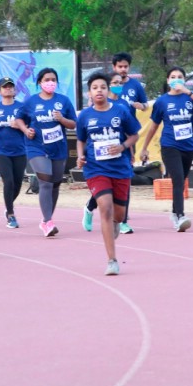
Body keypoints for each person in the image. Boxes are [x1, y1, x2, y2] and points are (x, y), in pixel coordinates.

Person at [76, 71, 140, 276]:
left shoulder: (120, 111)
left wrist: (122, 147)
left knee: (119, 215)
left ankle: (115, 223)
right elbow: (81, 140)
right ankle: (111, 260)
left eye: (103, 87)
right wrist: (80, 156)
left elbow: (134, 135)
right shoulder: (85, 116)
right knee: (105, 207)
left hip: (120, 169)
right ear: (89, 93)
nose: (99, 91)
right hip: (96, 169)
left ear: (108, 89)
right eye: (95, 88)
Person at [139, 66, 193, 232]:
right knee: (177, 179)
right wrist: (144, 148)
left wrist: (188, 91)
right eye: (173, 76)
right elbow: (153, 127)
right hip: (170, 146)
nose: (176, 79)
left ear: (184, 80)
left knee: (181, 181)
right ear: (168, 81)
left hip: (188, 146)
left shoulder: (189, 98)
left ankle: (174, 212)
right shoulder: (162, 102)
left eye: (179, 76)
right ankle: (180, 215)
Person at [17, 67, 77, 237]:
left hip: (58, 147)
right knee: (46, 182)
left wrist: (62, 119)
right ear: (40, 83)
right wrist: (25, 130)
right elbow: (19, 118)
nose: (50, 83)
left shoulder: (63, 101)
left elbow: (73, 124)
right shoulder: (31, 102)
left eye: (53, 80)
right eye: (46, 80)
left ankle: (46, 220)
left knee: (56, 184)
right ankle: (48, 221)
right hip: (36, 147)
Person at [82, 71, 134, 232]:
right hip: (98, 159)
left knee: (123, 185)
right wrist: (82, 154)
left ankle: (121, 220)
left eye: (120, 83)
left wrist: (129, 150)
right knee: (104, 191)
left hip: (120, 154)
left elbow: (127, 132)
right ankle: (90, 208)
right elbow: (86, 134)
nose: (118, 86)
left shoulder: (123, 106)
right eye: (115, 83)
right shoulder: (98, 104)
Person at [111, 53, 147, 234]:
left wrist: (140, 106)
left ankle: (123, 219)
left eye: (126, 67)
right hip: (109, 136)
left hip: (128, 135)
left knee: (125, 174)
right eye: (120, 67)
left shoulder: (135, 86)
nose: (123, 70)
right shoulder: (109, 87)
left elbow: (145, 105)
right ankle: (94, 205)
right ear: (114, 67)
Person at [0, 76, 30, 229]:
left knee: (18, 184)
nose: (8, 89)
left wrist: (20, 125)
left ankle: (8, 205)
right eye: (5, 87)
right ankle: (11, 215)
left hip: (19, 150)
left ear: (14, 90)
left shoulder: (22, 107)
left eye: (10, 86)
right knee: (9, 180)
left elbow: (30, 126)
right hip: (0, 151)